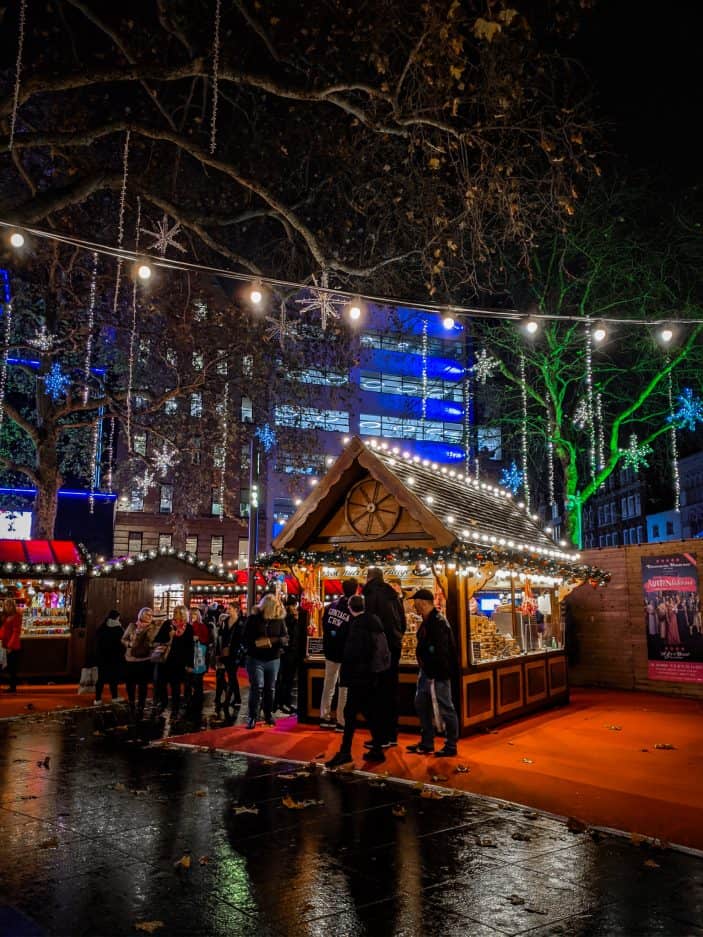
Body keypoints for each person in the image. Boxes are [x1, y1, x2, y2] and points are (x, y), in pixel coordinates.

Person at [325, 594, 389, 769]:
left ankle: (345, 752)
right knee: (366, 712)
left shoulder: (357, 626)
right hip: (371, 675)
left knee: (350, 713)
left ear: (350, 608)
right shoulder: (374, 622)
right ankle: (376, 748)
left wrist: (347, 677)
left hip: (358, 677)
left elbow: (353, 654)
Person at [406, 588, 459, 758]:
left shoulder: (438, 622)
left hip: (437, 673)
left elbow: (441, 651)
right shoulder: (429, 620)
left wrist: (436, 672)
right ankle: (427, 742)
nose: (414, 606)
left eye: (415, 602)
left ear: (422, 602)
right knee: (421, 703)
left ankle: (450, 745)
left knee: (445, 707)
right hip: (427, 672)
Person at [362, 567, 405, 747]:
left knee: (376, 693)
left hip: (378, 650)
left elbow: (370, 624)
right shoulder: (393, 595)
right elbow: (402, 623)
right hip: (394, 648)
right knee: (390, 690)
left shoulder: (371, 595)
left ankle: (380, 737)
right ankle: (392, 734)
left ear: (369, 578)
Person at [243, 594, 288, 729]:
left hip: (273, 658)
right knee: (257, 687)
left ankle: (268, 714)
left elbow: (285, 638)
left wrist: (272, 641)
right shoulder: (253, 619)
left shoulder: (279, 620)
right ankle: (252, 716)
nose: (278, 608)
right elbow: (245, 637)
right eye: (275, 606)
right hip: (256, 658)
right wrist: (256, 643)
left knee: (270, 688)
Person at [319, 579, 356, 730]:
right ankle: (341, 720)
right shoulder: (352, 609)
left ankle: (324, 716)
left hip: (330, 651)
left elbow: (324, 627)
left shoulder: (330, 607)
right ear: (355, 591)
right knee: (344, 687)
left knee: (328, 685)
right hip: (345, 653)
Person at [154, 605, 193, 715]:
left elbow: (190, 647)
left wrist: (190, 664)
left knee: (175, 685)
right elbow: (158, 639)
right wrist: (170, 637)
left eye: (178, 613)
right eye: (174, 612)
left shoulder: (188, 628)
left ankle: (175, 707)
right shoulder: (168, 624)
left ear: (184, 614)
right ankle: (164, 702)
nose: (175, 615)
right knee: (161, 683)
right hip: (165, 659)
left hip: (179, 661)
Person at [122, 607, 160, 720]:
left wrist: (151, 630)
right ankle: (131, 701)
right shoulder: (132, 626)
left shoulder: (152, 628)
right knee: (130, 683)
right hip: (130, 658)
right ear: (141, 614)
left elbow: (153, 641)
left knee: (142, 684)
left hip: (144, 659)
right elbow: (123, 639)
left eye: (151, 614)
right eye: (146, 614)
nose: (149, 616)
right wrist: (129, 644)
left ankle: (141, 705)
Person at [214, 608, 245, 715]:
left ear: (237, 610)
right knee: (232, 676)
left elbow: (242, 638)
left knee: (232, 676)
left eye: (231, 608)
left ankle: (228, 700)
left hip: (235, 653)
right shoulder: (225, 621)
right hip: (226, 652)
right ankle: (237, 698)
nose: (229, 610)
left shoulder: (241, 622)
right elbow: (221, 636)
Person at [276, 595, 301, 714]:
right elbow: (292, 637)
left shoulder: (285, 618)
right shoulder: (290, 619)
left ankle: (282, 702)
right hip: (289, 653)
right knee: (287, 679)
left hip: (288, 652)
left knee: (286, 680)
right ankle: (283, 703)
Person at [94, 609, 124, 704]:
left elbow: (97, 641)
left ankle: (98, 698)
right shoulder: (118, 628)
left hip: (102, 657)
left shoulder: (102, 627)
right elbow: (121, 643)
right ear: (116, 618)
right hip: (114, 657)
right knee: (113, 678)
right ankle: (114, 697)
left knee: (101, 679)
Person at [185, 607, 210, 711]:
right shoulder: (186, 626)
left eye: (194, 615)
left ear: (198, 616)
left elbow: (206, 639)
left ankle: (197, 698)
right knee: (188, 678)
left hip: (198, 653)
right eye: (190, 615)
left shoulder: (202, 626)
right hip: (188, 653)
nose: (192, 617)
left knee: (197, 677)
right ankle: (189, 698)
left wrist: (198, 638)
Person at [0, 597, 22, 693]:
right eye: (6, 605)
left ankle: (13, 687)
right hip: (3, 644)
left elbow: (16, 632)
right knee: (3, 666)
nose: (7, 606)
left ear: (12, 606)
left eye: (9, 605)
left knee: (12, 668)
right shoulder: (4, 616)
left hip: (11, 646)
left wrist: (10, 646)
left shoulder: (16, 616)